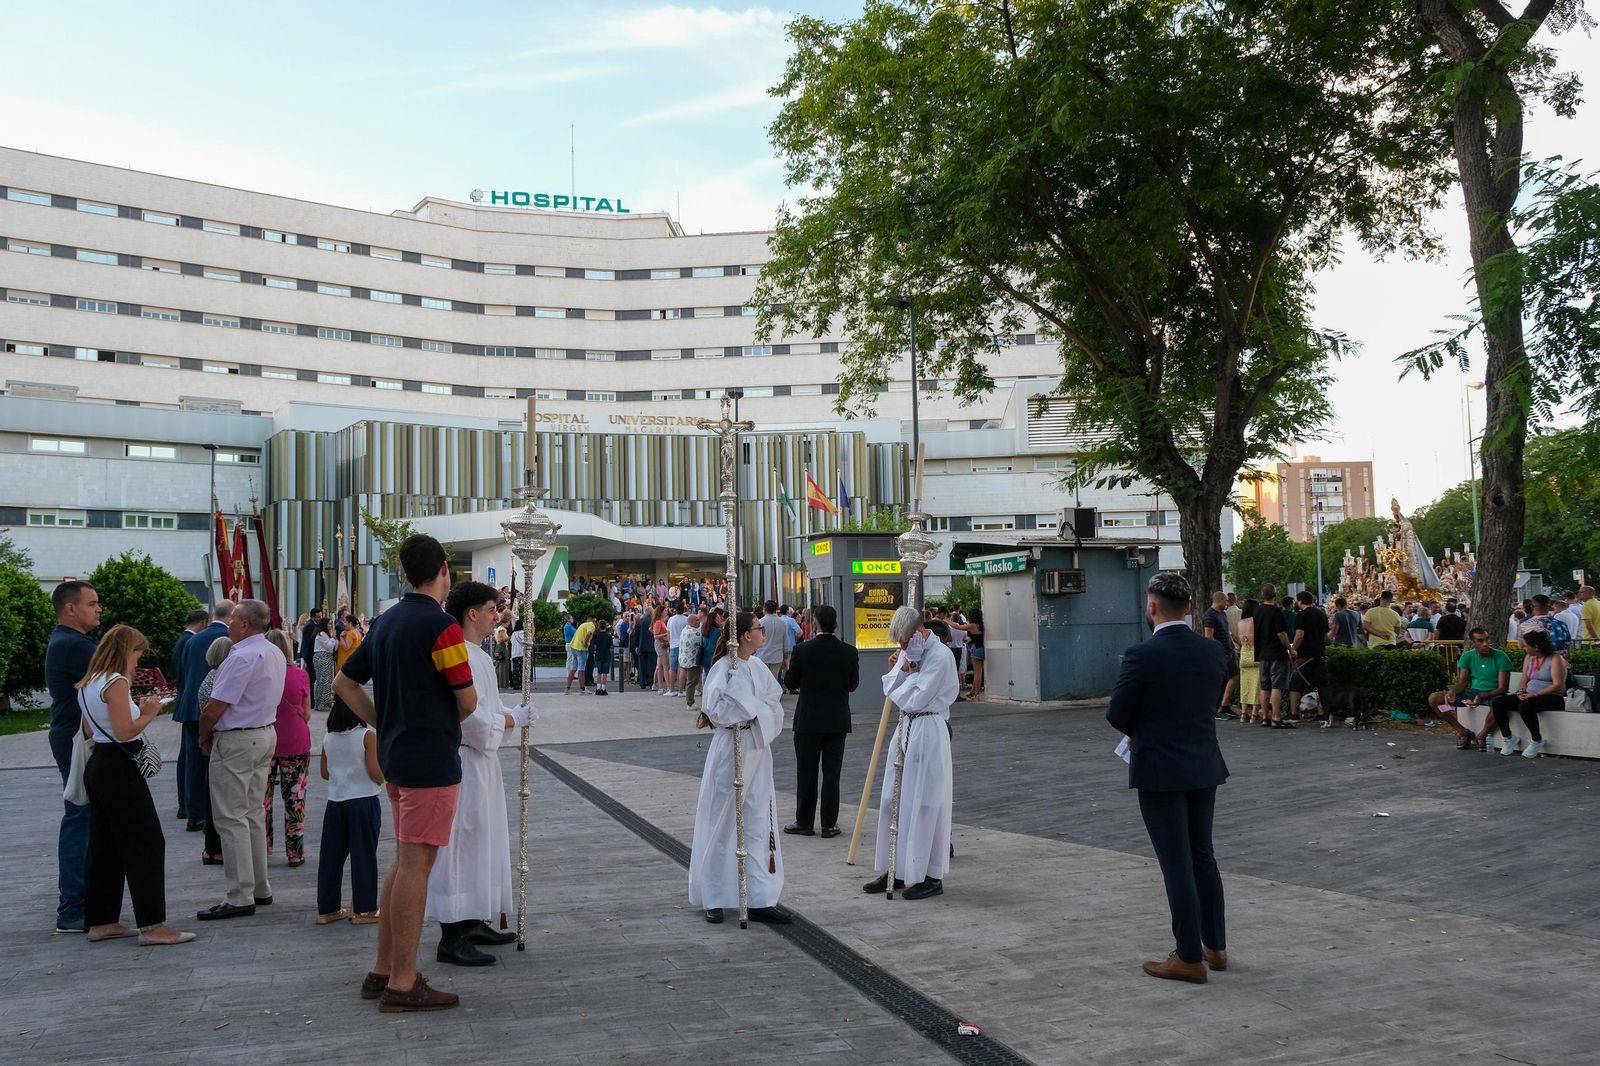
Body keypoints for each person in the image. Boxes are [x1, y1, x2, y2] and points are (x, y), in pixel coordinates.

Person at [332, 534, 476, 1013]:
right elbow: (468, 700)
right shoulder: (443, 628)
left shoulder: (386, 621)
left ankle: (383, 970)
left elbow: (342, 682)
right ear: (443, 570)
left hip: (396, 755)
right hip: (429, 759)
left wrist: (381, 719)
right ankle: (402, 981)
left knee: (402, 860)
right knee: (417, 865)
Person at [1107, 572, 1229, 984]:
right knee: (1202, 856)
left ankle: (1189, 956)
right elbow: (1209, 703)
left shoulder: (1142, 654)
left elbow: (1117, 715)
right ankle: (1216, 945)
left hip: (1159, 767)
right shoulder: (1212, 653)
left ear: (1152, 606)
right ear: (1192, 608)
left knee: (1176, 862)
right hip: (1203, 763)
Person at [429, 581, 532, 966]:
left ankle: (473, 919)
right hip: (465, 760)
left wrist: (510, 716)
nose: (497, 615)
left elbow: (491, 704)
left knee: (482, 841)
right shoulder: (459, 656)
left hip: (483, 765)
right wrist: (509, 719)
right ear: (471, 613)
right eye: (492, 608)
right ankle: (451, 933)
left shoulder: (482, 656)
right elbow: (470, 716)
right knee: (461, 843)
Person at [74, 624, 195, 947]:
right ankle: (153, 925)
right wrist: (150, 712)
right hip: (118, 767)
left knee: (105, 845)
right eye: (137, 654)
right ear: (126, 651)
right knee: (147, 842)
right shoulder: (115, 681)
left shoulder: (89, 682)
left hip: (99, 762)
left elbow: (90, 728)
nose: (138, 662)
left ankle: (101, 920)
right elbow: (126, 731)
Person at [687, 610, 790, 925]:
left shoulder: (757, 666)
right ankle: (714, 895)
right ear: (746, 635)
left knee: (758, 822)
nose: (763, 632)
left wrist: (749, 707)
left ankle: (759, 897)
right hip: (732, 748)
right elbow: (717, 711)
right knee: (724, 821)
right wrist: (744, 704)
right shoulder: (723, 669)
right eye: (759, 628)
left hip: (757, 745)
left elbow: (774, 703)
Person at [196, 600, 286, 920]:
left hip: (237, 737)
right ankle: (259, 886)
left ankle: (239, 894)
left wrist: (203, 734)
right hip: (264, 732)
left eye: (233, 619)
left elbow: (215, 706)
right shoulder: (273, 651)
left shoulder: (241, 655)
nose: (228, 623)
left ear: (245, 624)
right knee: (251, 814)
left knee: (231, 818)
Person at [863, 606, 956, 900]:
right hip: (905, 728)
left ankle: (930, 875)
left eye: (904, 641)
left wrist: (908, 672)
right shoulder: (910, 652)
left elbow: (917, 698)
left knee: (926, 801)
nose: (902, 648)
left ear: (918, 632)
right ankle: (897, 867)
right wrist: (904, 669)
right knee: (894, 798)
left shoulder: (940, 656)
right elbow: (889, 685)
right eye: (899, 644)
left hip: (928, 725)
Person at [45, 580, 101, 934]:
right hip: (76, 740)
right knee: (80, 817)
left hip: (74, 737)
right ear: (70, 608)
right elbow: (117, 673)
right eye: (92, 603)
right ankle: (72, 908)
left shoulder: (72, 642)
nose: (98, 609)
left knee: (87, 818)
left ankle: (83, 901)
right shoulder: (73, 645)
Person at [782, 604, 858, 839]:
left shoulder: (803, 650)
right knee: (832, 773)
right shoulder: (849, 651)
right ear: (835, 623)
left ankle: (804, 821)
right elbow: (853, 685)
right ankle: (829, 824)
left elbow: (791, 683)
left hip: (808, 720)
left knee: (806, 772)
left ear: (814, 623)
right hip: (836, 720)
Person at [317, 691, 384, 925]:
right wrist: (383, 778)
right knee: (363, 854)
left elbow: (325, 773)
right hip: (364, 800)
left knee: (331, 857)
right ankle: (365, 909)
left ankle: (328, 909)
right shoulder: (367, 736)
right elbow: (375, 772)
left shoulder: (328, 738)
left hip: (336, 801)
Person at [175, 602, 231, 842]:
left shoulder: (193, 638)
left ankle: (192, 812)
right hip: (212, 705)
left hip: (188, 704)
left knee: (191, 760)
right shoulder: (229, 638)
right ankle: (210, 812)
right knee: (213, 761)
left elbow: (183, 671)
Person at [262, 630, 311, 867]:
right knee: (295, 799)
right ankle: (295, 853)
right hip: (295, 741)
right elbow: (308, 714)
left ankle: (262, 849)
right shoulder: (300, 675)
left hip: (265, 741)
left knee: (262, 801)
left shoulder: (261, 674)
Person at [1428, 627, 1512, 750]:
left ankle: (1482, 735)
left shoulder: (1500, 656)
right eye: (1480, 641)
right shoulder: (1467, 656)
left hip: (1493, 693)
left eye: (1486, 640)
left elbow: (1503, 688)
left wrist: (1482, 696)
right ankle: (1462, 732)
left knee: (1498, 704)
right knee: (1434, 698)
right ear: (1473, 643)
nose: (1485, 644)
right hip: (1473, 692)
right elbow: (1463, 681)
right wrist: (1453, 691)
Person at [1490, 630, 1565, 758]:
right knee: (1497, 702)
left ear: (1536, 647)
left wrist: (1535, 694)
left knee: (1525, 705)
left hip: (1551, 696)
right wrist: (1521, 690)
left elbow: (1557, 684)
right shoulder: (1529, 657)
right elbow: (1524, 678)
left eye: (1525, 646)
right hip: (1529, 694)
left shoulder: (1555, 658)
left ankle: (1537, 740)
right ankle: (1508, 737)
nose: (1523, 648)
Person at [171, 609, 211, 822]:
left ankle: (185, 803)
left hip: (186, 704)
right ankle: (187, 804)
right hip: (191, 704)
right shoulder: (188, 641)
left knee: (186, 756)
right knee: (190, 759)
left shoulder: (185, 640)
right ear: (204, 622)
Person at [1288, 590, 1328, 723]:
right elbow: (1326, 636)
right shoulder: (1322, 614)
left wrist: (1293, 650)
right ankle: (1322, 714)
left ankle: (1294, 714)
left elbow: (1299, 635)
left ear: (1300, 601)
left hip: (1304, 656)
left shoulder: (1301, 615)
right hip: (1320, 654)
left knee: (1295, 685)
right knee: (1319, 685)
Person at [1254, 585, 1291, 728]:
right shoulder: (1276, 611)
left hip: (1262, 652)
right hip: (1276, 652)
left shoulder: (1257, 611)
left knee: (1265, 686)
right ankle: (1276, 717)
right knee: (1277, 685)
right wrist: (1290, 648)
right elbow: (1281, 633)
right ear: (1275, 595)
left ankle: (1264, 717)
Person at [1201, 593, 1238, 720]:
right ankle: (1219, 708)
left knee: (1234, 676)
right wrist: (1215, 653)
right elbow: (1208, 637)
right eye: (1226, 601)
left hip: (1228, 652)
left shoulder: (1222, 614)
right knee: (1222, 681)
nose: (1227, 604)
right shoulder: (1210, 615)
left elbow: (1227, 633)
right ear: (1220, 600)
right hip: (1219, 654)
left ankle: (1225, 706)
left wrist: (1233, 646)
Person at [1236, 601, 1260, 724]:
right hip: (1255, 653)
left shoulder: (1240, 623)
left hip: (1244, 653)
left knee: (1244, 684)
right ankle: (1254, 714)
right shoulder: (1255, 621)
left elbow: (1238, 639)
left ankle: (1244, 713)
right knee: (1256, 685)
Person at [955, 609, 986, 701]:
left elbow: (958, 627)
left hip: (975, 649)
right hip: (981, 647)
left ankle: (976, 693)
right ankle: (973, 692)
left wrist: (947, 621)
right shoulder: (981, 625)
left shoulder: (972, 626)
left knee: (977, 672)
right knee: (979, 672)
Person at [756, 600, 787, 681]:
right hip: (776, 656)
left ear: (765, 609)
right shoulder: (783, 623)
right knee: (773, 681)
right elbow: (785, 641)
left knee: (762, 681)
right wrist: (785, 657)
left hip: (761, 655)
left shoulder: (760, 622)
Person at [679, 609, 704, 707]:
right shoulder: (694, 632)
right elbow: (702, 640)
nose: (699, 622)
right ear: (692, 622)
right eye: (697, 620)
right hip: (692, 661)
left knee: (690, 681)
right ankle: (690, 702)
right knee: (692, 682)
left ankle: (689, 700)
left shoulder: (685, 629)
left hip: (684, 660)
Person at [312, 616, 337, 713]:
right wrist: (333, 638)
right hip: (323, 657)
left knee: (321, 681)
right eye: (329, 623)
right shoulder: (322, 634)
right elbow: (330, 647)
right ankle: (324, 704)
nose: (331, 626)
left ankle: (319, 703)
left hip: (323, 657)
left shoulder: (324, 634)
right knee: (325, 681)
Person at [300, 606, 326, 690]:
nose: (320, 618)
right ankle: (311, 697)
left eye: (321, 616)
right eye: (318, 617)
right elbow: (311, 641)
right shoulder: (310, 626)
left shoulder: (313, 624)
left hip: (311, 654)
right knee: (312, 676)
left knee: (313, 676)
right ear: (313, 617)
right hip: (310, 654)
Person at [666, 605, 690, 696]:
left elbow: (668, 633)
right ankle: (681, 689)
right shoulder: (686, 619)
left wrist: (670, 642)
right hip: (683, 645)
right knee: (682, 668)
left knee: (672, 668)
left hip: (673, 644)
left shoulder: (671, 619)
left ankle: (671, 689)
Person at [572, 613, 596, 694]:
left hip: (574, 646)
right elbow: (589, 633)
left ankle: (568, 688)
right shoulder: (591, 625)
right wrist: (586, 643)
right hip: (582, 648)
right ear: (593, 619)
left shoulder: (583, 625)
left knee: (574, 668)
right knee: (581, 669)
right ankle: (582, 689)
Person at [590, 617, 614, 696]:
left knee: (599, 672)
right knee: (605, 673)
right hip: (606, 655)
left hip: (598, 655)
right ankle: (603, 689)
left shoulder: (596, 636)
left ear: (599, 626)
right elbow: (611, 645)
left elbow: (594, 644)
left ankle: (598, 688)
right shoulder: (608, 636)